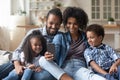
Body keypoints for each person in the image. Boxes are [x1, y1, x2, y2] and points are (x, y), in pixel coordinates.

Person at [39, 7, 106, 80]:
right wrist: (49, 54)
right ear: (65, 23)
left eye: (75, 24)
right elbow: (53, 51)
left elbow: (97, 48)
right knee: (42, 60)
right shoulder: (60, 36)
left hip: (80, 69)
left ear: (80, 24)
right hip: (63, 70)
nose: (71, 26)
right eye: (69, 23)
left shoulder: (86, 37)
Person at [12, 8, 73, 80]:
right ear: (46, 21)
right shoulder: (34, 33)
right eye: (51, 23)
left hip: (42, 68)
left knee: (47, 76)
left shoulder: (60, 37)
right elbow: (18, 50)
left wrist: (45, 65)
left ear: (60, 24)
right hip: (24, 62)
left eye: (57, 24)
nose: (53, 26)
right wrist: (17, 65)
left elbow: (57, 60)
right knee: (8, 68)